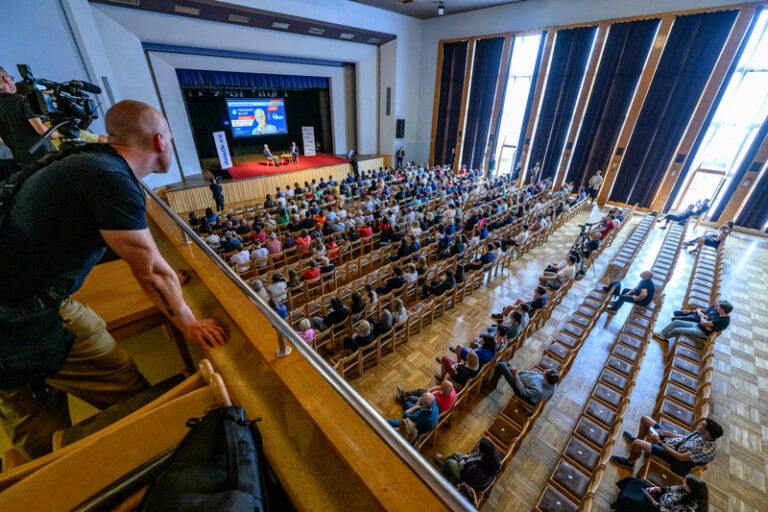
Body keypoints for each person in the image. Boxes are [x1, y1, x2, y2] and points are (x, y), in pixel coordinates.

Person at [0, 100, 229, 459]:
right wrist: (187, 321)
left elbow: (128, 249)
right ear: (159, 141)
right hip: (20, 318)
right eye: (170, 136)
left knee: (34, 416)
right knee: (124, 392)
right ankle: (148, 459)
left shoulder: (91, 160)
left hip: (24, 300)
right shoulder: (111, 179)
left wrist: (169, 279)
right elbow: (150, 269)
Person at [611, 416, 723, 475]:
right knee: (645, 420)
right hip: (673, 444)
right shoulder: (704, 434)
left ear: (707, 433)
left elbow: (679, 457)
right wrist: (666, 433)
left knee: (637, 444)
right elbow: (685, 438)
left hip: (674, 457)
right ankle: (637, 445)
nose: (699, 425)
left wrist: (659, 442)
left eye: (702, 425)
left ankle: (630, 462)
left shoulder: (704, 449)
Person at [0, 66, 57, 166]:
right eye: (11, 78)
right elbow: (41, 130)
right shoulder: (20, 100)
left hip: (22, 161)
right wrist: (55, 133)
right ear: (6, 78)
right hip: (44, 156)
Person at [612, 473, 709, 512]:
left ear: (690, 490)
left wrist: (653, 501)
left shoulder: (689, 509)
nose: (683, 482)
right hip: (660, 497)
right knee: (632, 481)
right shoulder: (686, 489)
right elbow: (670, 489)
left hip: (658, 508)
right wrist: (657, 489)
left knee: (629, 499)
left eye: (685, 483)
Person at [434, 438, 501, 492]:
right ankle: (445, 463)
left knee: (449, 463)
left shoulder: (476, 470)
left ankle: (445, 465)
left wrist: (460, 465)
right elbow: (477, 454)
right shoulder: (490, 455)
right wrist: (468, 456)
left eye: (479, 447)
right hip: (470, 468)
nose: (477, 448)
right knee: (456, 454)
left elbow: (465, 478)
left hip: (464, 478)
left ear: (482, 453)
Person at [653, 301, 732, 343]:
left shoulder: (722, 320)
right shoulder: (719, 314)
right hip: (698, 325)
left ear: (722, 310)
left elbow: (705, 322)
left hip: (701, 332)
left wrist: (703, 320)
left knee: (676, 330)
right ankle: (662, 333)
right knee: (676, 322)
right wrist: (704, 320)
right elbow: (706, 321)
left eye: (719, 307)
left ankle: (665, 338)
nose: (717, 307)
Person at [487, 364, 558, 405]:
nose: (543, 371)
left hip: (519, 386)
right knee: (502, 364)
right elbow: (533, 373)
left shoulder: (539, 392)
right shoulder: (552, 383)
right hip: (520, 377)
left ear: (546, 379)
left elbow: (522, 391)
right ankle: (505, 365)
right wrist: (521, 371)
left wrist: (516, 376)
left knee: (501, 366)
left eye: (544, 372)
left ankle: (492, 384)